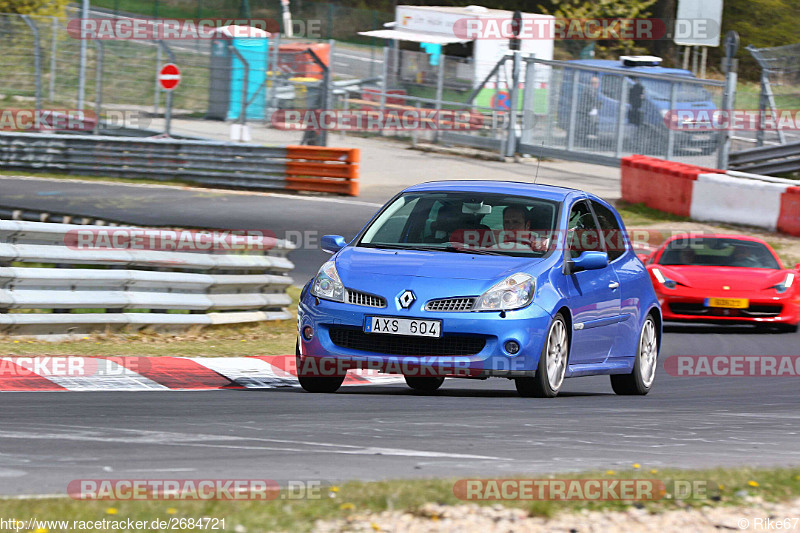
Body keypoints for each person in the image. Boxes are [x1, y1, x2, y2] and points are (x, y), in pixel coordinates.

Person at [576, 76, 600, 146]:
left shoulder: (590, 89)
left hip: (588, 111)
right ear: (595, 83)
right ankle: (586, 142)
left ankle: (586, 141)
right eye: (597, 83)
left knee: (588, 127)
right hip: (587, 111)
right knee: (588, 127)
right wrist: (597, 103)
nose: (598, 85)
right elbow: (592, 99)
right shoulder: (590, 89)